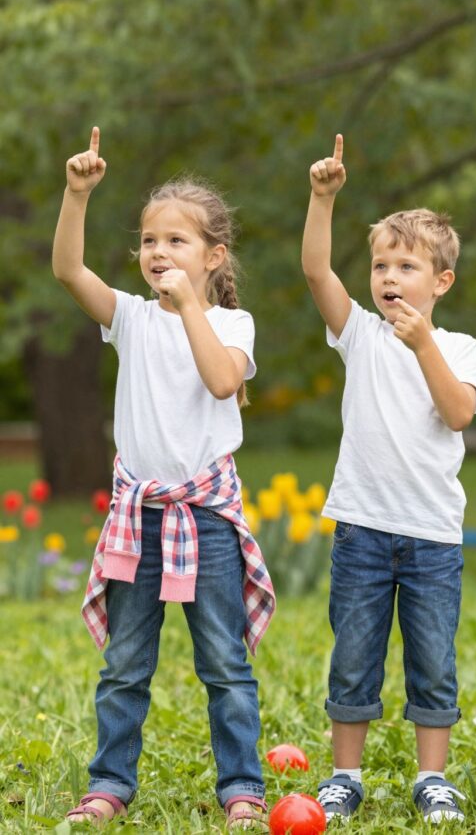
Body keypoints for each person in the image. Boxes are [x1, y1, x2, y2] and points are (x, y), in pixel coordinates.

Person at [53, 128, 274, 828]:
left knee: (224, 665)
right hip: (138, 516)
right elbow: (67, 271)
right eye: (149, 241)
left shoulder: (233, 325)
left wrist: (189, 312)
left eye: (176, 242)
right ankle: (110, 784)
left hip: (204, 519)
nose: (158, 253)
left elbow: (219, 381)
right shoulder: (131, 319)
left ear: (213, 256)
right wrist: (76, 194)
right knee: (125, 665)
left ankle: (241, 787)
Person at [302, 135, 476, 824]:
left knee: (432, 661)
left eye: (406, 265)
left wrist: (424, 345)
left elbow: (459, 411)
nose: (389, 276)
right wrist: (323, 199)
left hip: (432, 535)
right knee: (354, 656)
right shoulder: (361, 335)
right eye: (381, 264)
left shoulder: (457, 345)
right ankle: (344, 773)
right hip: (363, 530)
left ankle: (431, 779)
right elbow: (318, 272)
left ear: (440, 282)